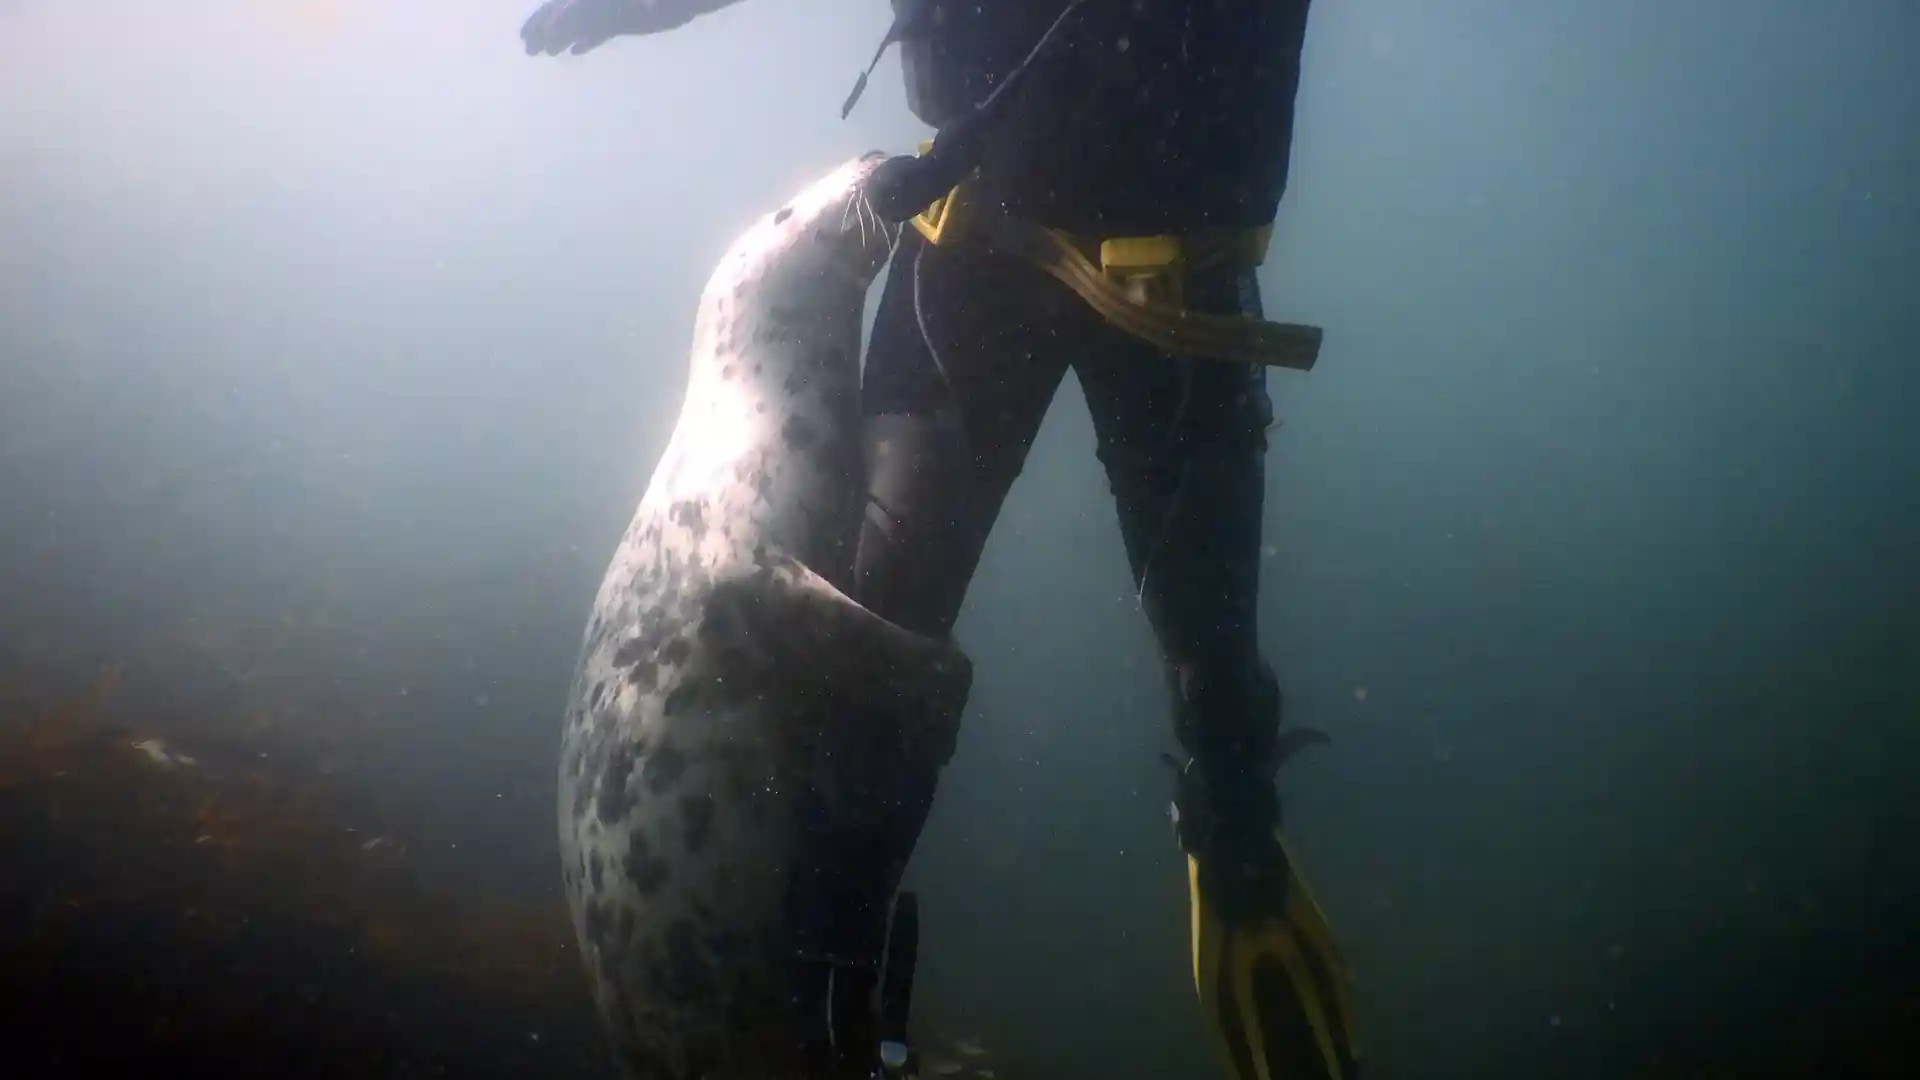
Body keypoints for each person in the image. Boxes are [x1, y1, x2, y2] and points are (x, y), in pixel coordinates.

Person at [522, 3, 1361, 1079]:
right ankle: (832, 1001)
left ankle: (1236, 847)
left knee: (1213, 684)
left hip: (1179, 291)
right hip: (976, 247)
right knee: (863, 658)